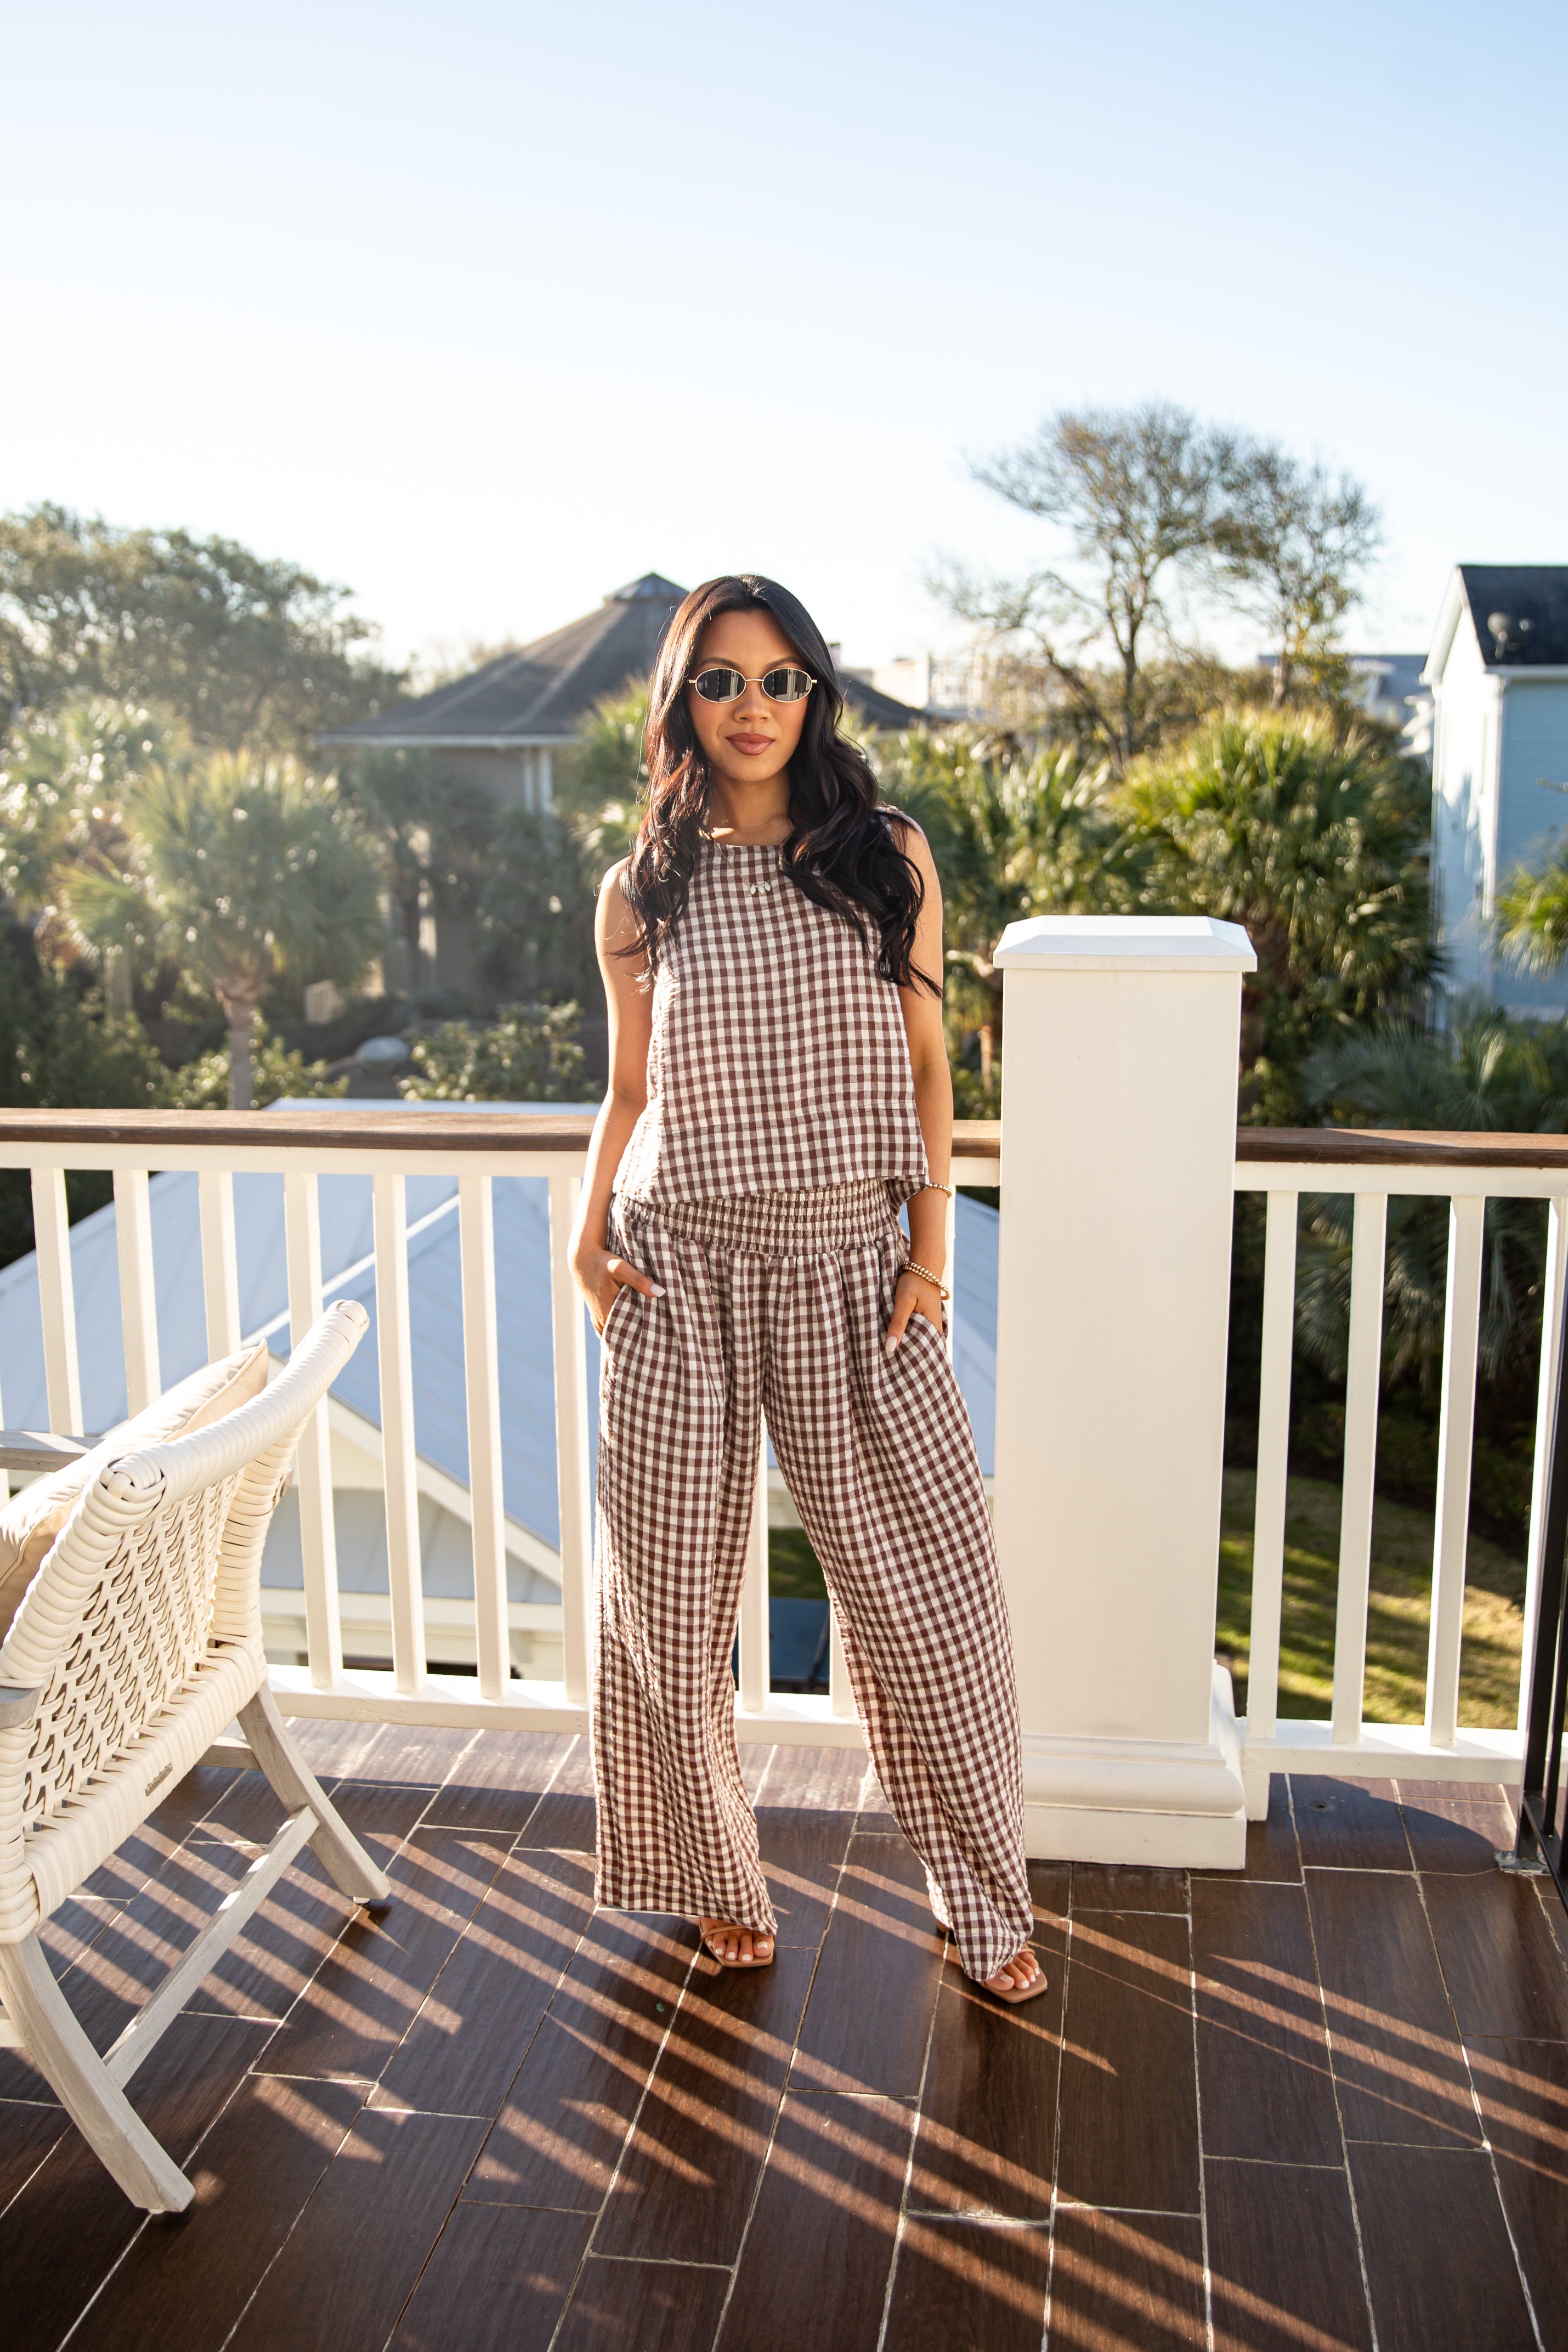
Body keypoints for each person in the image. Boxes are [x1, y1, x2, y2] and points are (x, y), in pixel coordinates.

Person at [568, 573, 1044, 2004]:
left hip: (853, 1272)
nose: (752, 707)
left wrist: (927, 1257)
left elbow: (926, 1067)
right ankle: (713, 1883)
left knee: (930, 1608)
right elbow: (628, 1088)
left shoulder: (883, 854)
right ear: (681, 702)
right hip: (675, 1272)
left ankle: (983, 1895)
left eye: (779, 679)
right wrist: (579, 1242)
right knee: (659, 1605)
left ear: (815, 694)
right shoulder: (641, 885)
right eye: (720, 680)